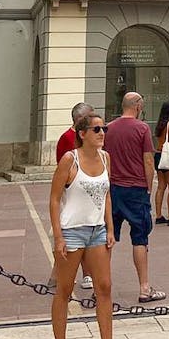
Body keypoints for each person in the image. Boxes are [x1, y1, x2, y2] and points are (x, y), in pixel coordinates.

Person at [48, 111, 125, 339]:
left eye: (103, 129)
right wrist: (58, 236)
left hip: (98, 231)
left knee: (104, 288)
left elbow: (107, 194)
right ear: (82, 134)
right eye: (96, 129)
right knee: (65, 291)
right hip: (72, 231)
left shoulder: (106, 158)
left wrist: (111, 228)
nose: (102, 133)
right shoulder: (70, 161)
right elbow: (54, 199)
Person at [103, 92, 165, 303]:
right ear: (138, 106)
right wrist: (148, 187)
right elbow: (148, 161)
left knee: (108, 239)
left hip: (113, 189)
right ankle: (144, 288)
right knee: (140, 238)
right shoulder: (142, 128)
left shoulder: (109, 128)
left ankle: (101, 288)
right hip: (136, 189)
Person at [52, 102, 93, 291]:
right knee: (73, 234)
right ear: (79, 119)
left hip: (88, 193)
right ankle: (65, 275)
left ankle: (82, 274)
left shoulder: (89, 137)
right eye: (89, 116)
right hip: (71, 194)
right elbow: (62, 169)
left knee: (87, 233)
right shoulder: (66, 139)